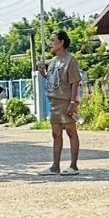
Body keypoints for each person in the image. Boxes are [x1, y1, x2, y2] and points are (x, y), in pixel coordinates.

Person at [36, 30, 81, 176]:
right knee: (56, 134)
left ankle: (73, 166)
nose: (50, 43)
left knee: (70, 131)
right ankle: (55, 167)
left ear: (61, 42)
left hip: (66, 100)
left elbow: (75, 82)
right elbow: (52, 79)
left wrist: (72, 102)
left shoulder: (70, 60)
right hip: (54, 101)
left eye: (53, 40)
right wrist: (42, 72)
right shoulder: (53, 61)